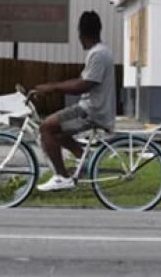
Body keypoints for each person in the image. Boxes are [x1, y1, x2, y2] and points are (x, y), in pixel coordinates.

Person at [34, 11, 116, 192]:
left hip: (92, 110)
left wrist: (53, 88)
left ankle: (62, 178)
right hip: (92, 107)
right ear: (99, 29)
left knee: (46, 128)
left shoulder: (98, 55)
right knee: (58, 132)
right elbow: (80, 80)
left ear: (81, 33)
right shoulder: (99, 52)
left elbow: (83, 85)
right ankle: (85, 159)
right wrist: (51, 87)